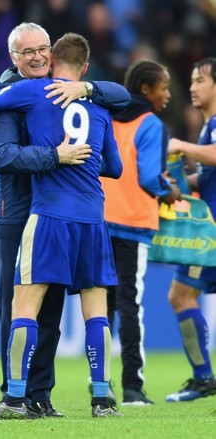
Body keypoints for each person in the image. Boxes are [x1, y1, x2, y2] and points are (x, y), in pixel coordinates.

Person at [0, 31, 125, 419]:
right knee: (94, 307)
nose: (37, 57)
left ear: (53, 58)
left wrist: (84, 90)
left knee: (27, 304)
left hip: (49, 213)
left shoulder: (37, 93)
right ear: (14, 56)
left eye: (42, 51)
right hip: (82, 216)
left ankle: (23, 397)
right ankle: (101, 399)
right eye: (29, 52)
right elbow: (114, 166)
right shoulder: (97, 107)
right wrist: (66, 155)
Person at [99, 59, 181, 405]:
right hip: (132, 225)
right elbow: (149, 176)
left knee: (100, 305)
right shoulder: (151, 124)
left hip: (100, 221)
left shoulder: (105, 115)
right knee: (130, 303)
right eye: (163, 87)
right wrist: (169, 190)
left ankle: (99, 384)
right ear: (146, 90)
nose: (168, 94)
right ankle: (132, 386)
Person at [164, 57, 216, 402]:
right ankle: (203, 378)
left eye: (200, 80)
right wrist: (176, 186)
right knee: (181, 295)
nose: (193, 86)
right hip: (207, 227)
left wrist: (181, 146)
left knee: (181, 295)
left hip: (210, 232)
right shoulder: (208, 126)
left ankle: (203, 378)